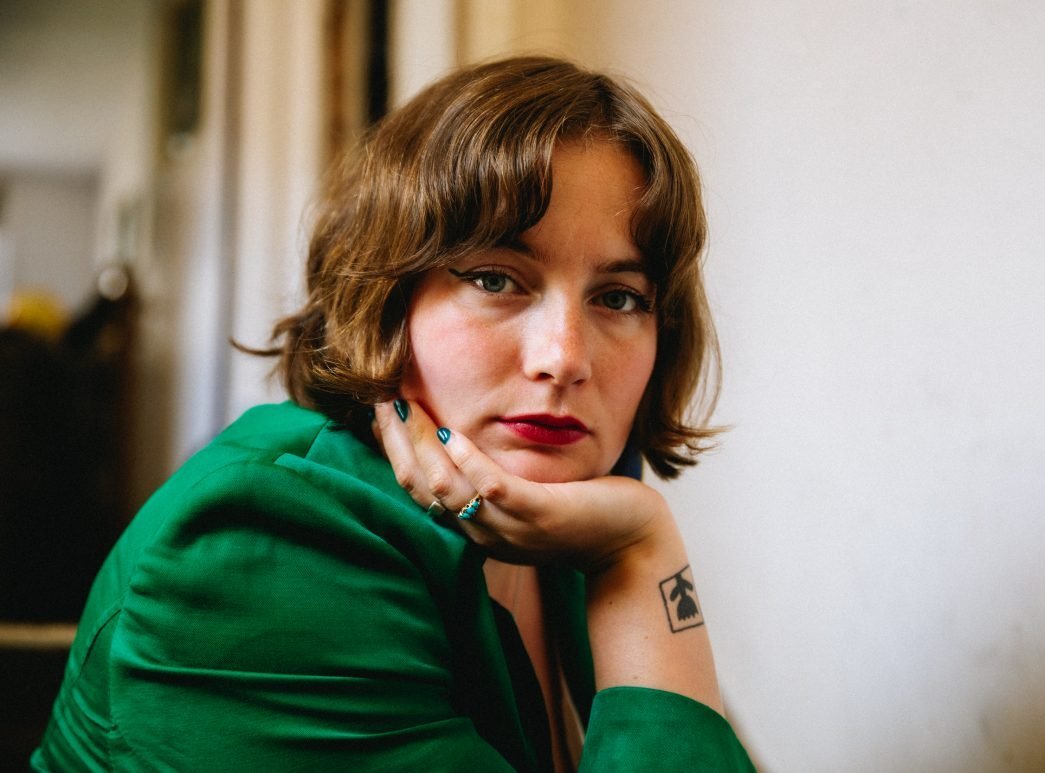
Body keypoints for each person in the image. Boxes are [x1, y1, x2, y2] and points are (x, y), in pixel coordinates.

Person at [33, 56, 754, 771]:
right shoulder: (266, 547)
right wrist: (644, 555)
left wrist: (634, 547)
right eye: (495, 279)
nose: (564, 357)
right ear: (387, 296)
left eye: (619, 297)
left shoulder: (561, 518)